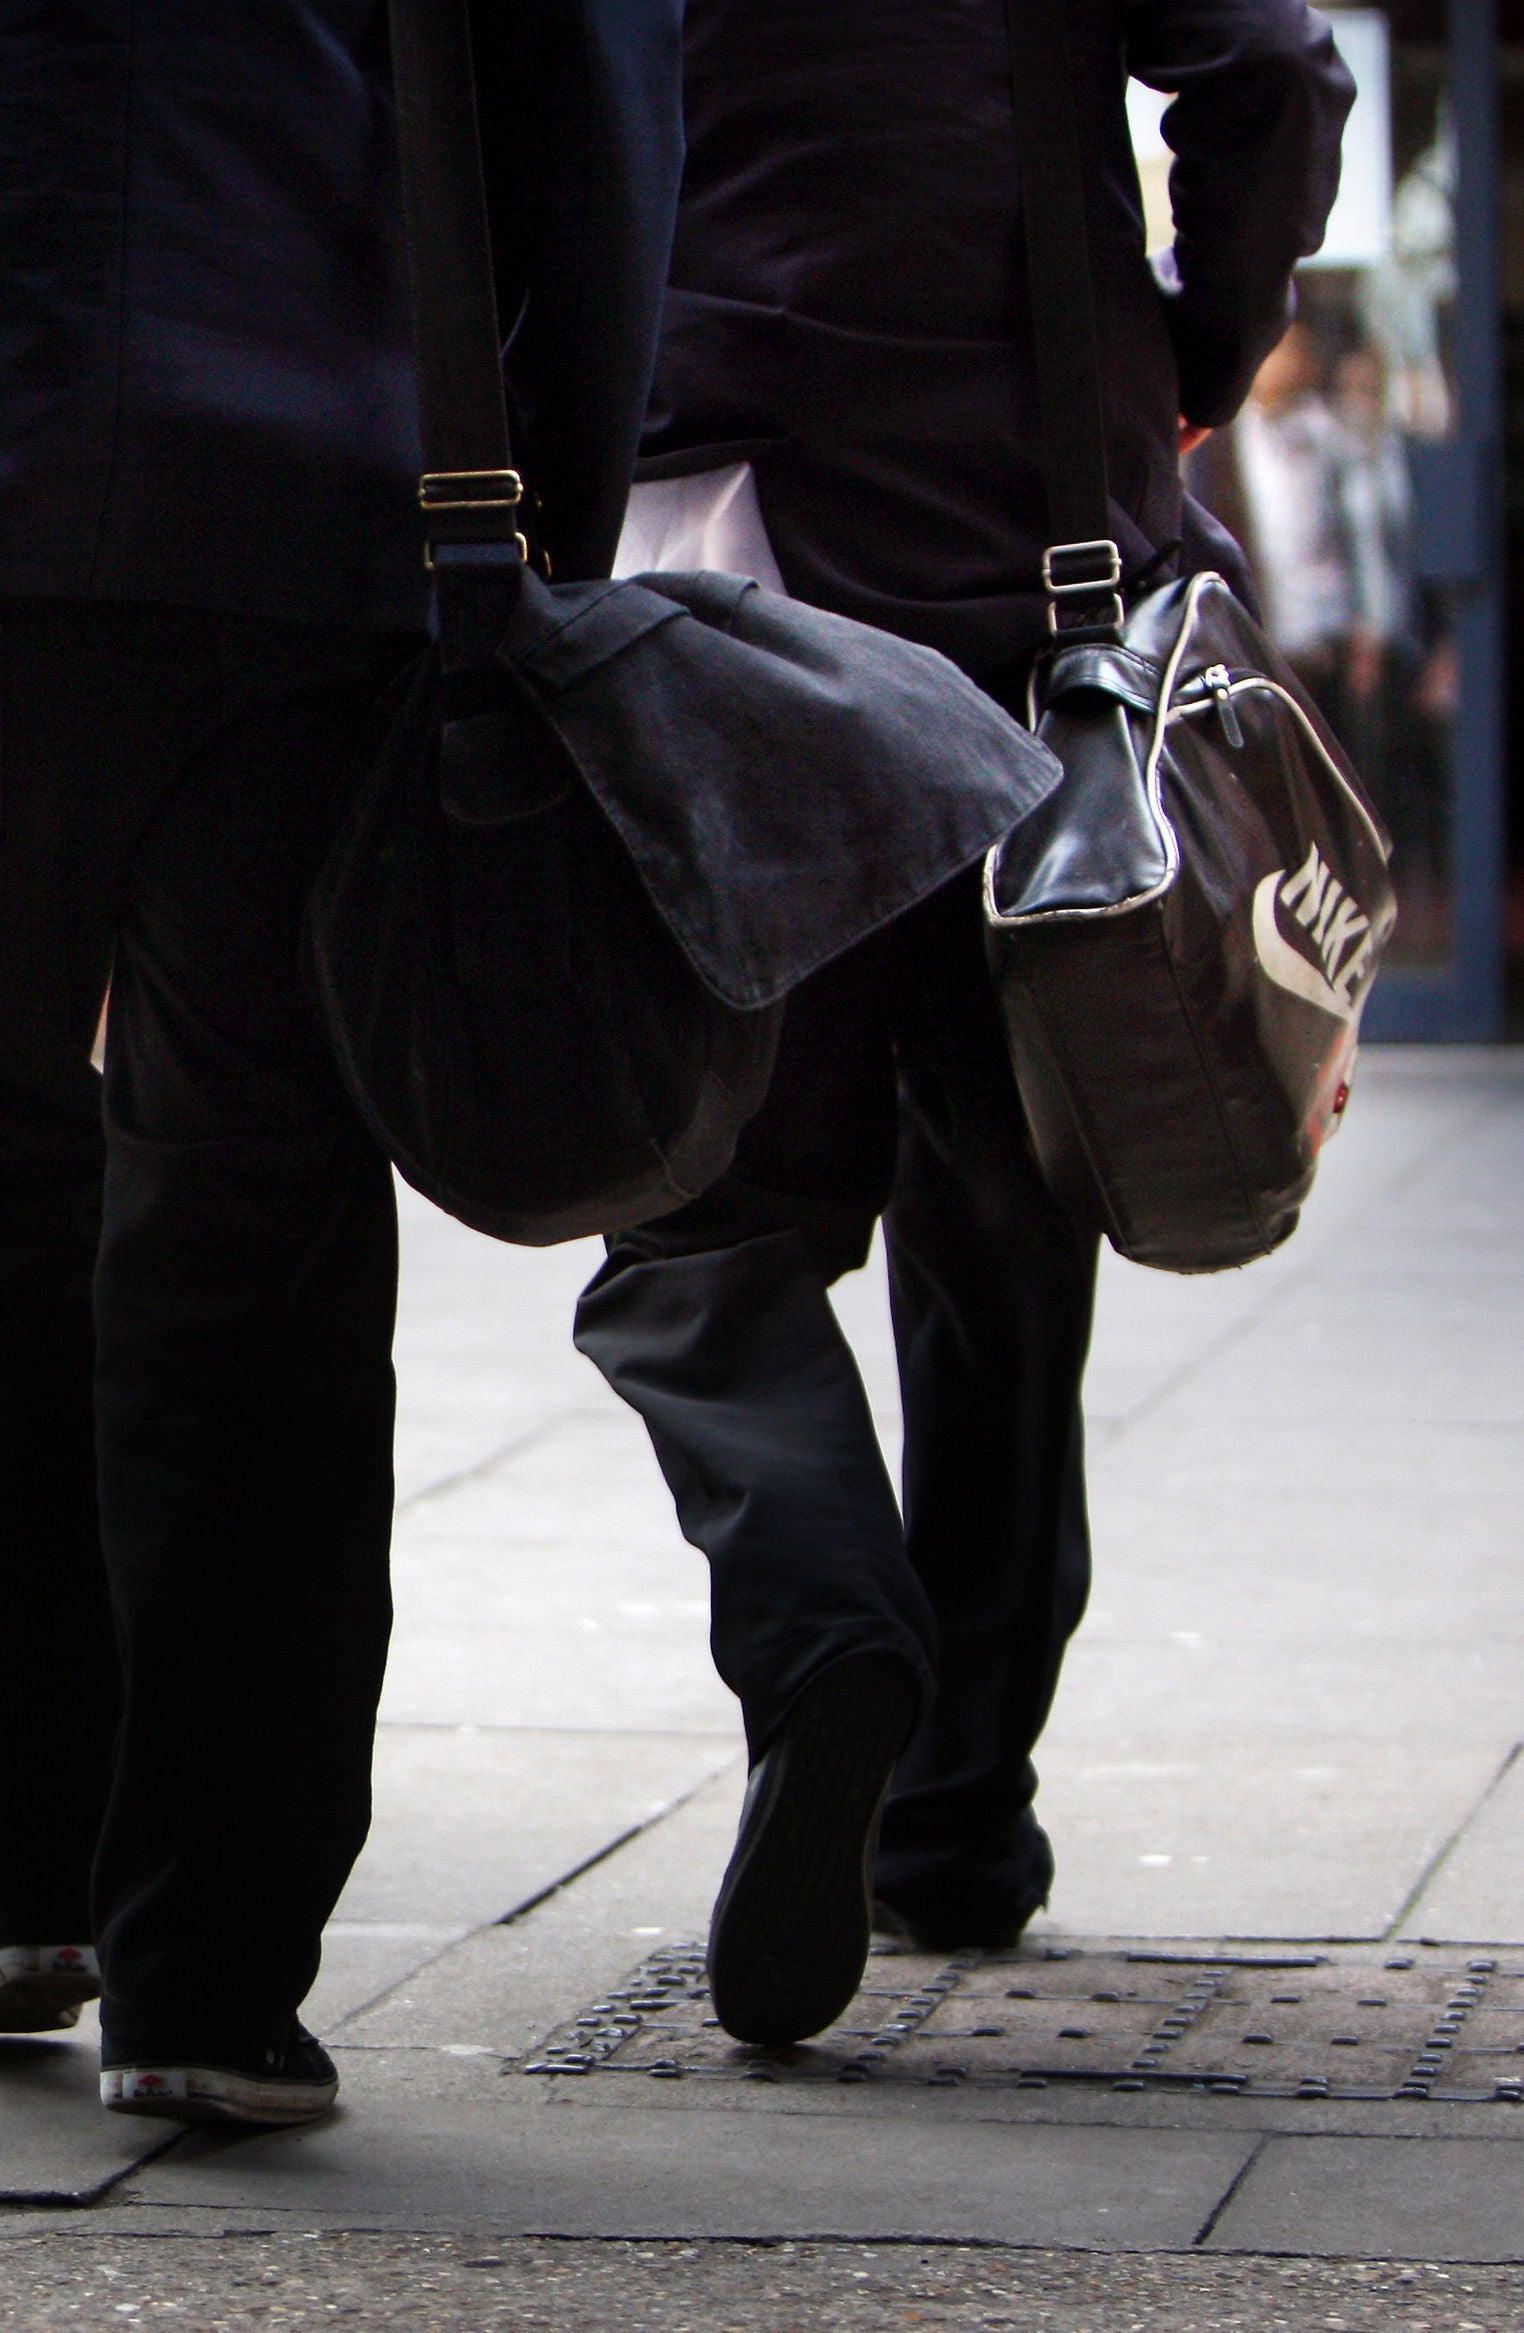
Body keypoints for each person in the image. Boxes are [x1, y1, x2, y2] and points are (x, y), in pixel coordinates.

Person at [0, 1, 676, 2121]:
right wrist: (551, 504)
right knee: (262, 1211)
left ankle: (12, 1870)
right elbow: (593, 99)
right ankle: (216, 1970)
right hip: (325, 514)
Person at [576, 0, 1348, 2044]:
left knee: (700, 1224)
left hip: (715, 562)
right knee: (1001, 1218)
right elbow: (1268, 68)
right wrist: (1183, 349)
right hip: (1035, 552)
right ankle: (953, 1818)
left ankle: (824, 1623)